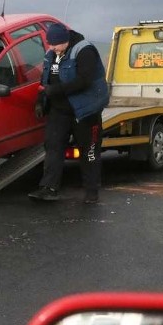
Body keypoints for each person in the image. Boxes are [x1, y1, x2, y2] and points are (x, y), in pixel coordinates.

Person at [28, 22, 109, 204]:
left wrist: (55, 91)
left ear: (65, 41)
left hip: (85, 111)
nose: (52, 48)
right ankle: (48, 188)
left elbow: (84, 81)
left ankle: (91, 191)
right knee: (53, 147)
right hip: (59, 111)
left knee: (89, 151)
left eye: (55, 44)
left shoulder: (84, 51)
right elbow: (44, 81)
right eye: (50, 44)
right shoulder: (51, 55)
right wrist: (41, 102)